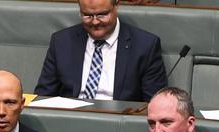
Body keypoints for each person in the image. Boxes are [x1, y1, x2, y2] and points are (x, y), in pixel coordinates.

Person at [34, 0, 167, 102]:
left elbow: (154, 103)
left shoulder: (145, 45)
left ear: (116, 5)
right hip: (71, 118)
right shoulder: (61, 41)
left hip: (119, 123)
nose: (95, 22)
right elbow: (44, 95)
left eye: (102, 15)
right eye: (87, 15)